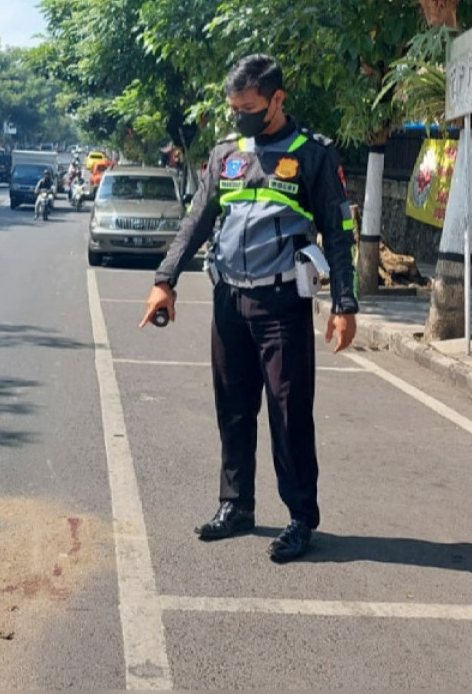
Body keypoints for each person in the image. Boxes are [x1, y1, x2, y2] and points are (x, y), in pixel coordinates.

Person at [139, 53, 359, 563]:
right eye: (233, 108)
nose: (240, 116)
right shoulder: (225, 155)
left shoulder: (312, 155)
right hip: (229, 301)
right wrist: (164, 280)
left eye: (250, 107)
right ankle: (236, 505)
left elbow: (340, 233)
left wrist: (344, 304)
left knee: (289, 413)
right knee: (233, 409)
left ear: (277, 100)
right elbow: (197, 220)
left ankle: (301, 518)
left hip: (282, 303)